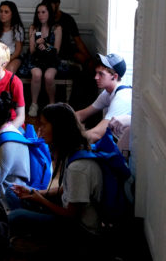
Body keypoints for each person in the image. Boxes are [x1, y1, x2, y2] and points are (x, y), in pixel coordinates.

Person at [8, 103, 102, 247]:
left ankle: (42, 243)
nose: (40, 130)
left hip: (81, 231)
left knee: (15, 217)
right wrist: (35, 192)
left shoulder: (78, 168)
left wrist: (40, 200)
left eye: (44, 125)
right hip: (66, 215)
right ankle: (33, 236)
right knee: (12, 194)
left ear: (59, 128)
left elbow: (71, 216)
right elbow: (66, 189)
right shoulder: (71, 152)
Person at [75, 53, 131, 143]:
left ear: (115, 76)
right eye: (96, 73)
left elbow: (97, 134)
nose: (96, 77)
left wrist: (66, 140)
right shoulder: (107, 93)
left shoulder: (122, 97)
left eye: (101, 74)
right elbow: (82, 114)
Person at [28, 2, 63, 117]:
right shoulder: (35, 28)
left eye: (43, 12)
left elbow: (56, 51)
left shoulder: (56, 28)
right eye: (38, 12)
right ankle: (34, 104)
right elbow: (32, 51)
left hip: (51, 60)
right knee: (36, 74)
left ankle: (51, 104)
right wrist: (37, 44)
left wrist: (46, 46)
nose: (40, 15)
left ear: (49, 13)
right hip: (37, 59)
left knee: (49, 76)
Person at [42, 0, 91, 66]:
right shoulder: (44, 18)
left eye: (50, 6)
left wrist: (89, 59)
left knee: (83, 59)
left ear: (57, 4)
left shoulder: (67, 19)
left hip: (66, 50)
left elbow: (78, 41)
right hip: (50, 49)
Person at [0, 1, 26, 76]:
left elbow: (18, 51)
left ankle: (7, 87)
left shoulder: (17, 28)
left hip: (13, 57)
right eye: (1, 11)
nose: (2, 14)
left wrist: (6, 60)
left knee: (9, 70)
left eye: (6, 12)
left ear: (12, 14)